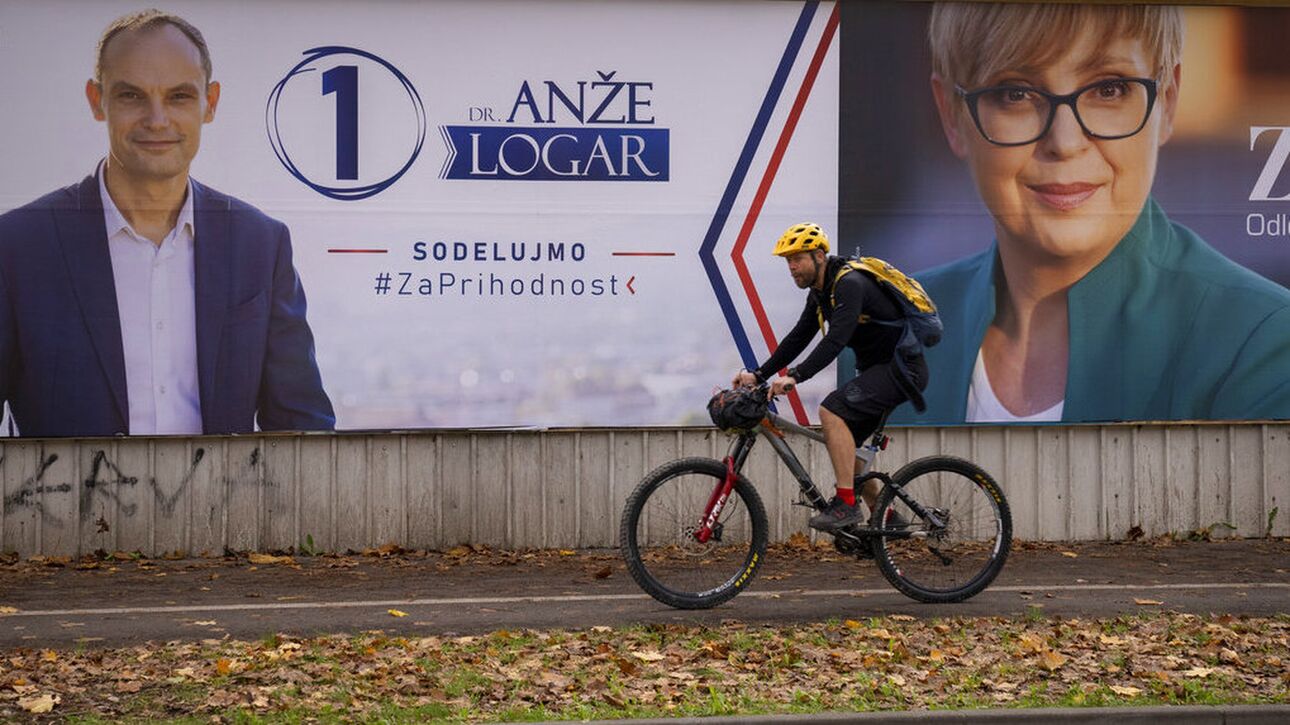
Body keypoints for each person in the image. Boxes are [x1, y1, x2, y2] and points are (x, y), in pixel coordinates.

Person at [889, 3, 1290, 425]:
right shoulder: (880, 337)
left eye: (1109, 89)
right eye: (1016, 93)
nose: (1064, 142)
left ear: (1167, 102)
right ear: (952, 115)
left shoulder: (1263, 343)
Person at [0, 9, 334, 437]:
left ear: (209, 103)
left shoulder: (260, 245)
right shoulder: (18, 248)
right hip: (64, 504)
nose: (157, 120)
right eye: (131, 96)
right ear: (96, 100)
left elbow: (301, 428)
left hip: (229, 506)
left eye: (178, 96)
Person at [732, 223, 928, 531]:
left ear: (820, 256)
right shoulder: (821, 292)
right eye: (787, 261)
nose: (792, 267)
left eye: (797, 258)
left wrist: (796, 376)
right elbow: (798, 338)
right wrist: (759, 375)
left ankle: (847, 506)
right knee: (848, 455)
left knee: (831, 410)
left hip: (901, 371)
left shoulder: (849, 283)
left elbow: (836, 339)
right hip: (878, 371)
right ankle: (887, 519)